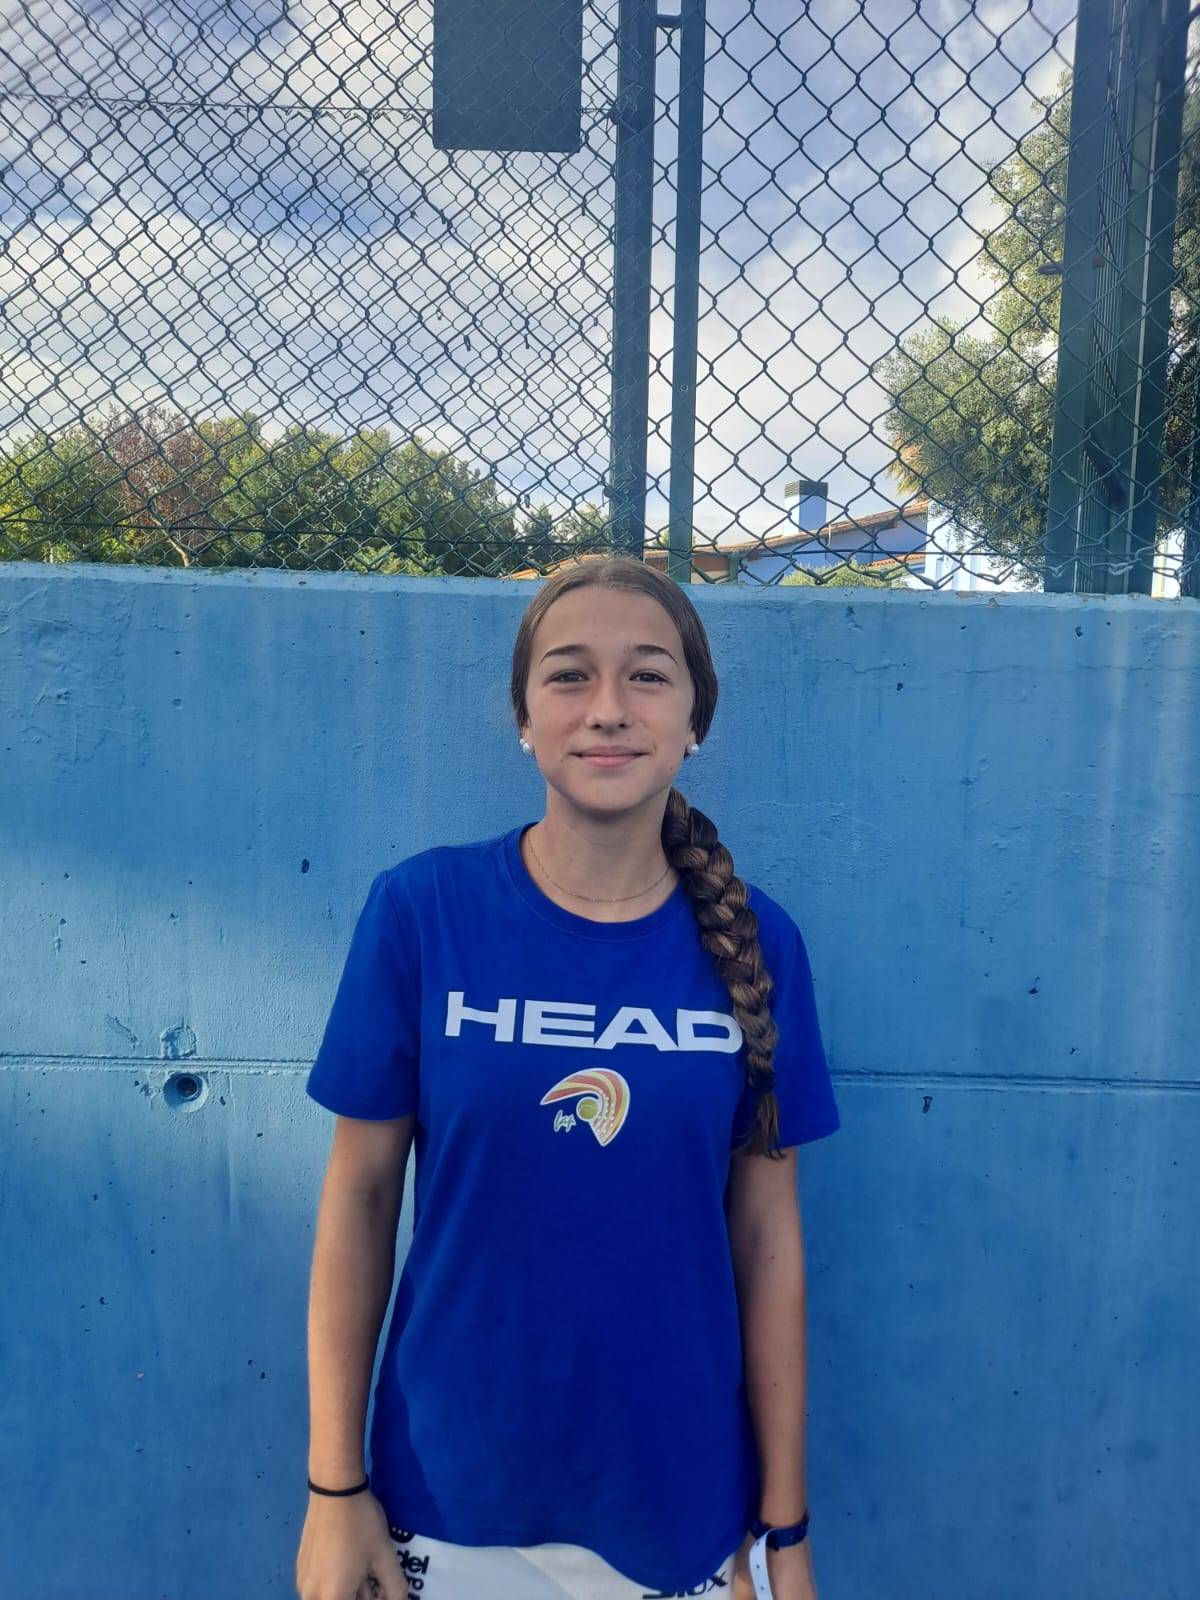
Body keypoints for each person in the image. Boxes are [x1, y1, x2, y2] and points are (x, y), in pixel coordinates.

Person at [294, 555, 840, 1600]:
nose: (608, 709)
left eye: (648, 675)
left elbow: (769, 1243)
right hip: (448, 1496)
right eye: (569, 674)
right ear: (524, 717)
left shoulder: (761, 943)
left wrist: (785, 1531)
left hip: (681, 1509)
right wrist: (333, 1486)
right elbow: (359, 1200)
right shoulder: (422, 912)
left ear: (694, 719)